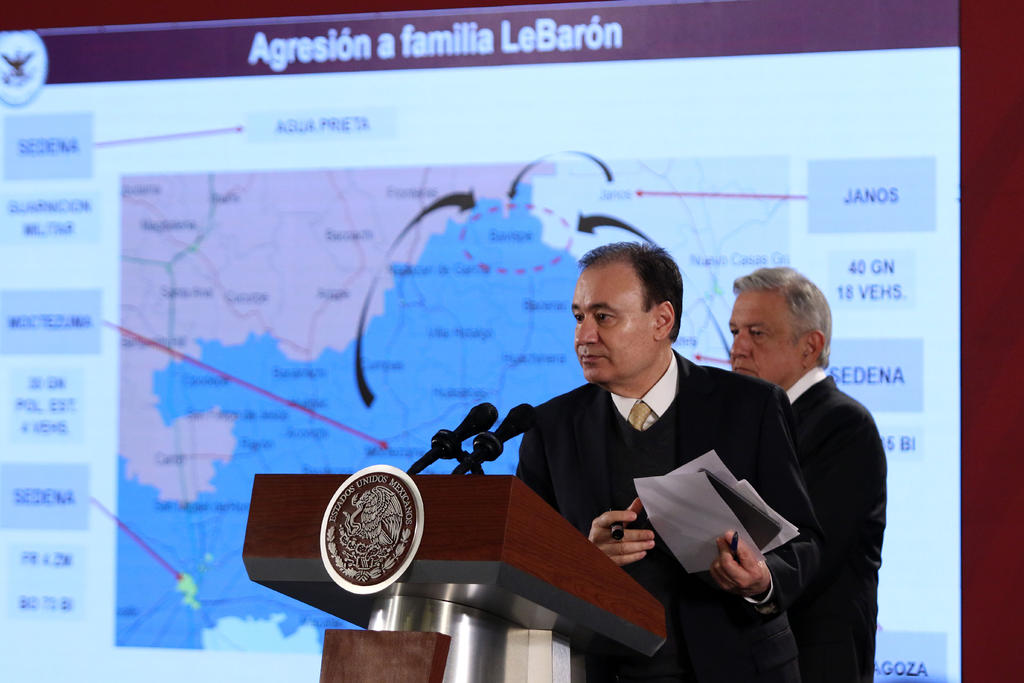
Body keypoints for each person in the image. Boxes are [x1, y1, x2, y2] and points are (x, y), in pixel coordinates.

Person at [517, 242, 821, 683]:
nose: (584, 336)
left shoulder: (751, 408)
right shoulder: (551, 427)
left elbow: (805, 542)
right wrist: (583, 559)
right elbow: (523, 566)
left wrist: (761, 580)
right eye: (579, 317)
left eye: (604, 317)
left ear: (662, 320)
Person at [729, 267, 886, 683]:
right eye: (735, 332)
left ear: (809, 346)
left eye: (757, 333)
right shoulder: (751, 421)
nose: (738, 348)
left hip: (813, 661)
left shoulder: (844, 424)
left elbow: (810, 549)